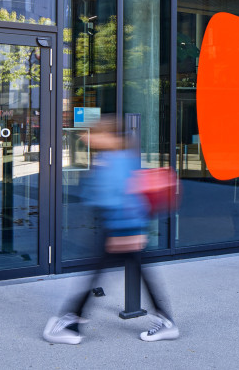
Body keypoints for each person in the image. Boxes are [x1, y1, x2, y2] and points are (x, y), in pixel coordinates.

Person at [43, 117, 178, 344]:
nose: (87, 138)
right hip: (123, 228)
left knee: (97, 273)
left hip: (121, 229)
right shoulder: (121, 157)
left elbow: (124, 199)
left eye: (92, 134)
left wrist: (124, 233)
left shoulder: (114, 161)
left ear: (106, 136)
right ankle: (165, 322)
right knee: (136, 272)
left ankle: (71, 322)